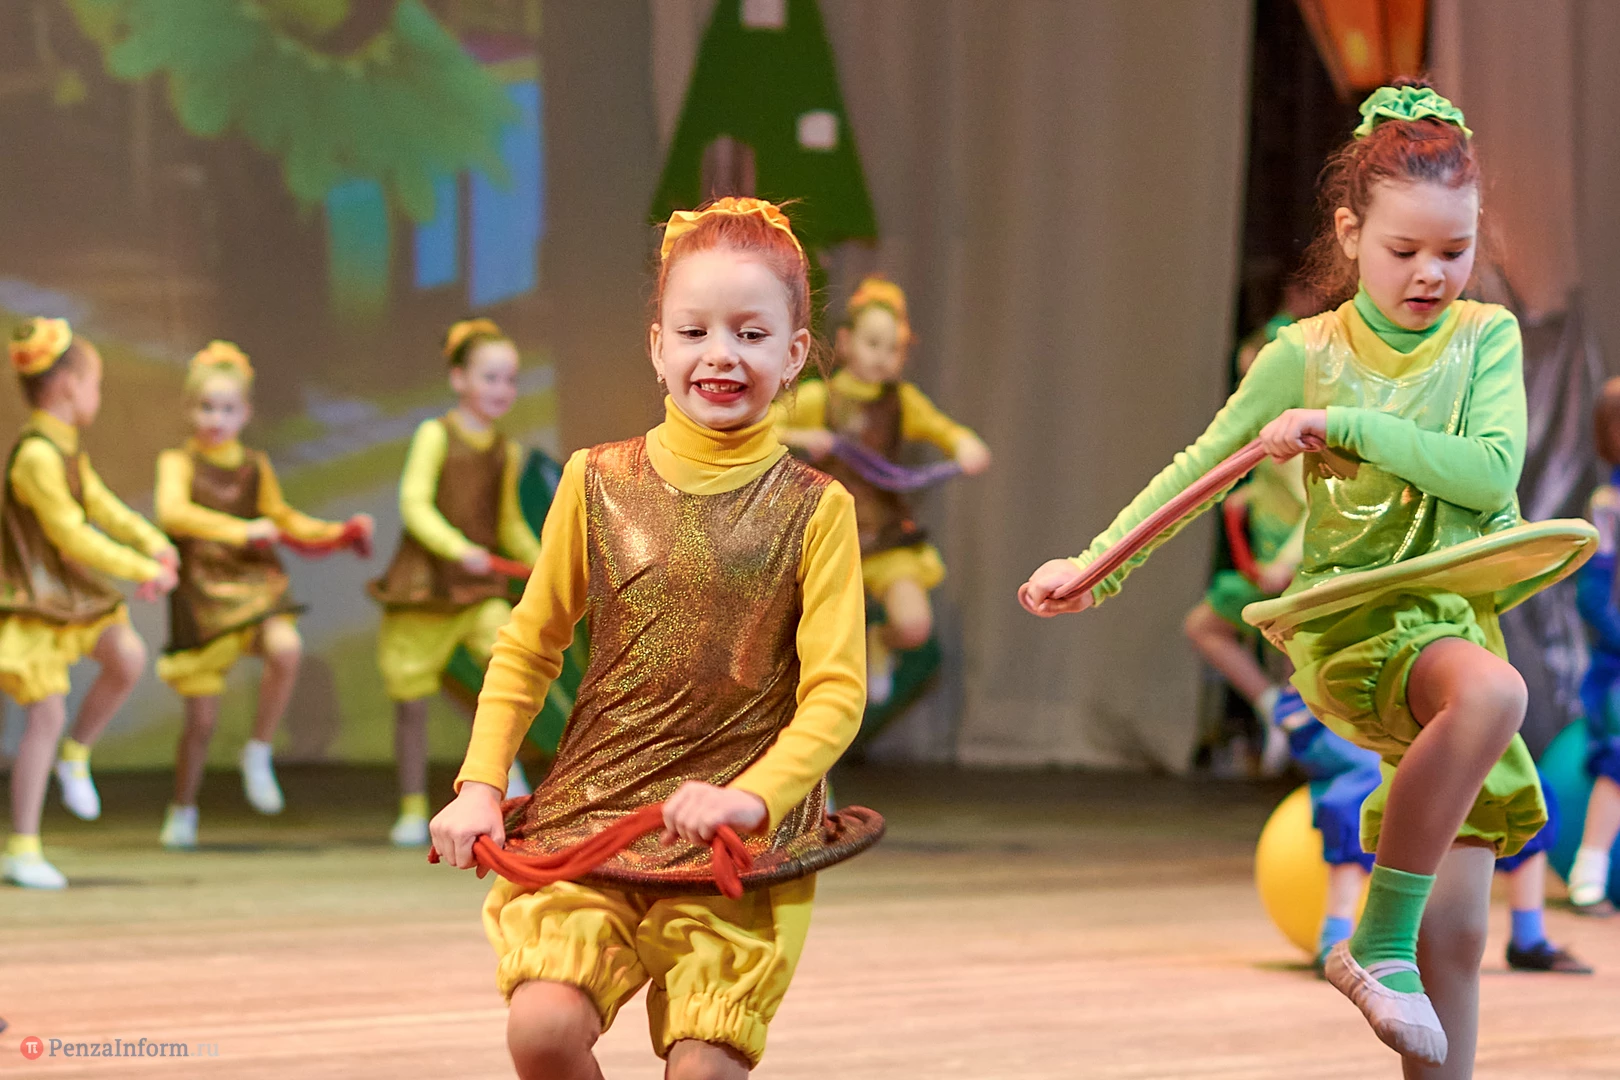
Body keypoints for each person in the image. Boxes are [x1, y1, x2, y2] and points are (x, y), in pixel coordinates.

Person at [1019, 82, 1593, 1076]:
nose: (1430, 273)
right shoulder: (1305, 354)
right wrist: (1096, 566)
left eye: (1453, 251)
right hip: (1360, 628)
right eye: (1403, 250)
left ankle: (1397, 958)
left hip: (1453, 626)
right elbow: (1203, 468)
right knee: (1496, 695)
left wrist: (1347, 428)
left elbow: (1492, 473)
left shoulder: (1485, 340)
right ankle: (1373, 939)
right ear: (1351, 233)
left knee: (1459, 933)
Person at [429, 197, 870, 1079]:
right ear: (658, 345)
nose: (720, 354)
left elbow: (835, 694)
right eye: (695, 331)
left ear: (794, 354)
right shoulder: (595, 481)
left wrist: (753, 797)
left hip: (734, 846)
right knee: (542, 1031)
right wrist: (480, 785)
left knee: (704, 1068)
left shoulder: (818, 510)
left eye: (751, 334)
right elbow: (528, 645)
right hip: (597, 813)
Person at [153, 341, 372, 848]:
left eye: (227, 409)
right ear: (189, 409)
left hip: (254, 581)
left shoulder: (255, 465)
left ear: (245, 414)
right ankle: (183, 808)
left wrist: (337, 532)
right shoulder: (177, 461)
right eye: (206, 407)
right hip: (204, 591)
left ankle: (258, 749)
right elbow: (173, 513)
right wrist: (240, 530)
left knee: (286, 646)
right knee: (200, 721)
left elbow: (284, 519)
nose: (216, 419)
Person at [0, 317, 177, 888]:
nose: (97, 396)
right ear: (69, 386)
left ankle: (76, 754)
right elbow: (71, 533)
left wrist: (152, 541)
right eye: (96, 384)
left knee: (126, 655)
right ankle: (23, 845)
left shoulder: (65, 450)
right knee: (45, 714)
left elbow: (102, 505)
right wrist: (142, 568)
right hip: (35, 600)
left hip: (66, 595)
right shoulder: (37, 456)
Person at [775, 276, 990, 703]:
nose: (882, 356)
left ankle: (880, 642)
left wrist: (966, 446)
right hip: (830, 540)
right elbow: (761, 427)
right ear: (846, 342)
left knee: (914, 625)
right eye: (873, 343)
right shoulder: (820, 398)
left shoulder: (902, 401)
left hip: (886, 538)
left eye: (894, 348)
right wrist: (803, 436)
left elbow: (946, 430)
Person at [368, 318, 539, 846]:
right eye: (490, 377)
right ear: (459, 379)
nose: (501, 390)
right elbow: (414, 504)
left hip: (478, 593)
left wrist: (545, 564)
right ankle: (411, 807)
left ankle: (502, 776)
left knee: (506, 664)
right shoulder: (434, 434)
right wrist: (456, 548)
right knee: (410, 703)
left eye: (510, 380)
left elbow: (509, 523)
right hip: (425, 588)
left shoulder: (507, 451)